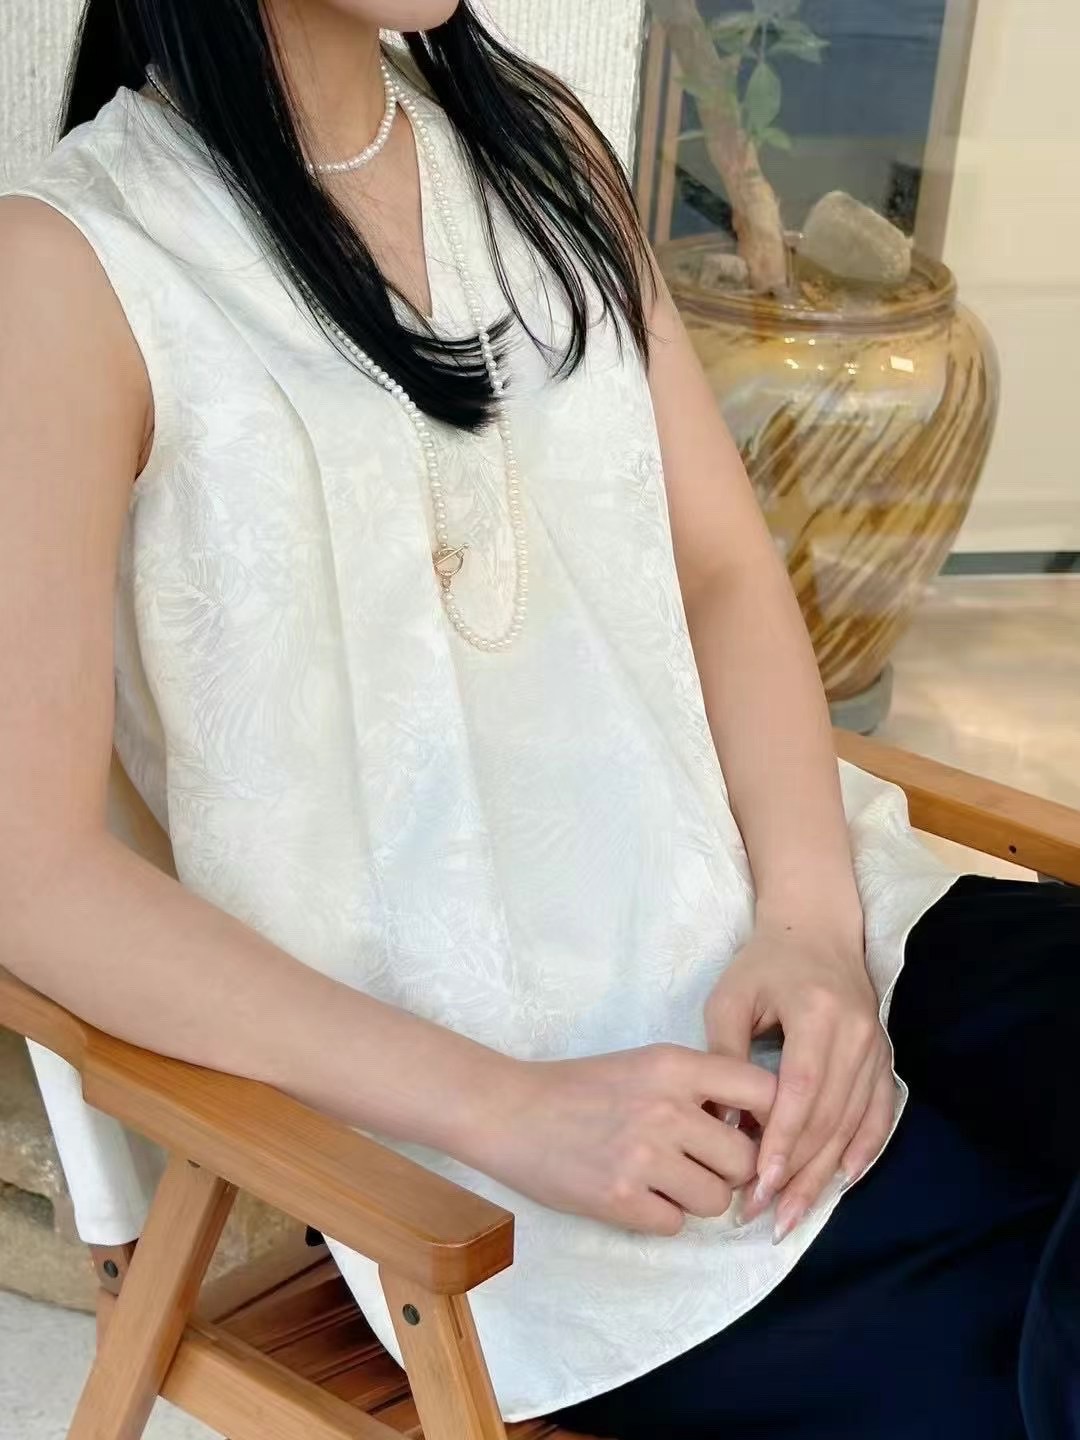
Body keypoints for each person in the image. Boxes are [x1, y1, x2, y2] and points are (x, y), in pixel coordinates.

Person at [0, 3, 1075, 1435]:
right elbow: (30, 871)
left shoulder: (536, 146)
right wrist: (506, 1110)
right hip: (556, 1132)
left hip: (819, 907)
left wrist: (815, 928)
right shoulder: (71, 272)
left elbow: (717, 569)